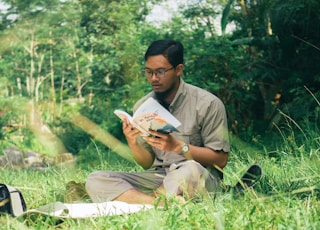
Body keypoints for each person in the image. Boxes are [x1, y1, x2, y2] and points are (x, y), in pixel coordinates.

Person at [85, 39, 230, 205]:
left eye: (160, 72)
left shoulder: (208, 104)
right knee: (96, 179)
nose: (153, 78)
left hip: (198, 177)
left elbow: (220, 160)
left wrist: (178, 147)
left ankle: (144, 202)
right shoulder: (143, 106)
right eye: (148, 72)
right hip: (160, 177)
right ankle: (159, 203)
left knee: (190, 169)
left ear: (178, 69)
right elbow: (148, 163)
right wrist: (133, 142)